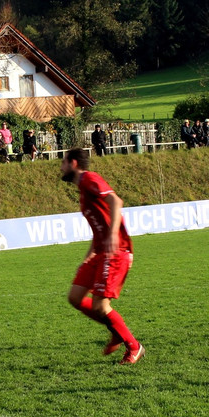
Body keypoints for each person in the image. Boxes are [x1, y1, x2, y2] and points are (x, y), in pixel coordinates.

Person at [60, 148, 144, 365]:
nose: (61, 167)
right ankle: (115, 330)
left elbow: (116, 202)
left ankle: (134, 346)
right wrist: (90, 253)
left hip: (116, 252)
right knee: (75, 297)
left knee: (100, 306)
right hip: (101, 252)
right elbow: (99, 227)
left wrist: (114, 235)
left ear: (74, 163)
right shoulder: (82, 188)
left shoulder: (90, 179)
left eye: (63, 162)